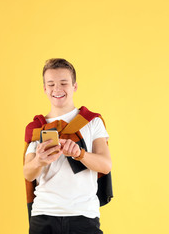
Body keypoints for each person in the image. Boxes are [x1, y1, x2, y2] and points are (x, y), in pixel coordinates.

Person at [23, 58, 113, 234]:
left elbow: (105, 165)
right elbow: (28, 173)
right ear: (44, 89)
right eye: (51, 84)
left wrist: (80, 153)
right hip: (44, 215)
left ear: (75, 86)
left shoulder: (92, 122)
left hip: (84, 215)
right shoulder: (36, 128)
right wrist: (39, 161)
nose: (57, 89)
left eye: (64, 83)